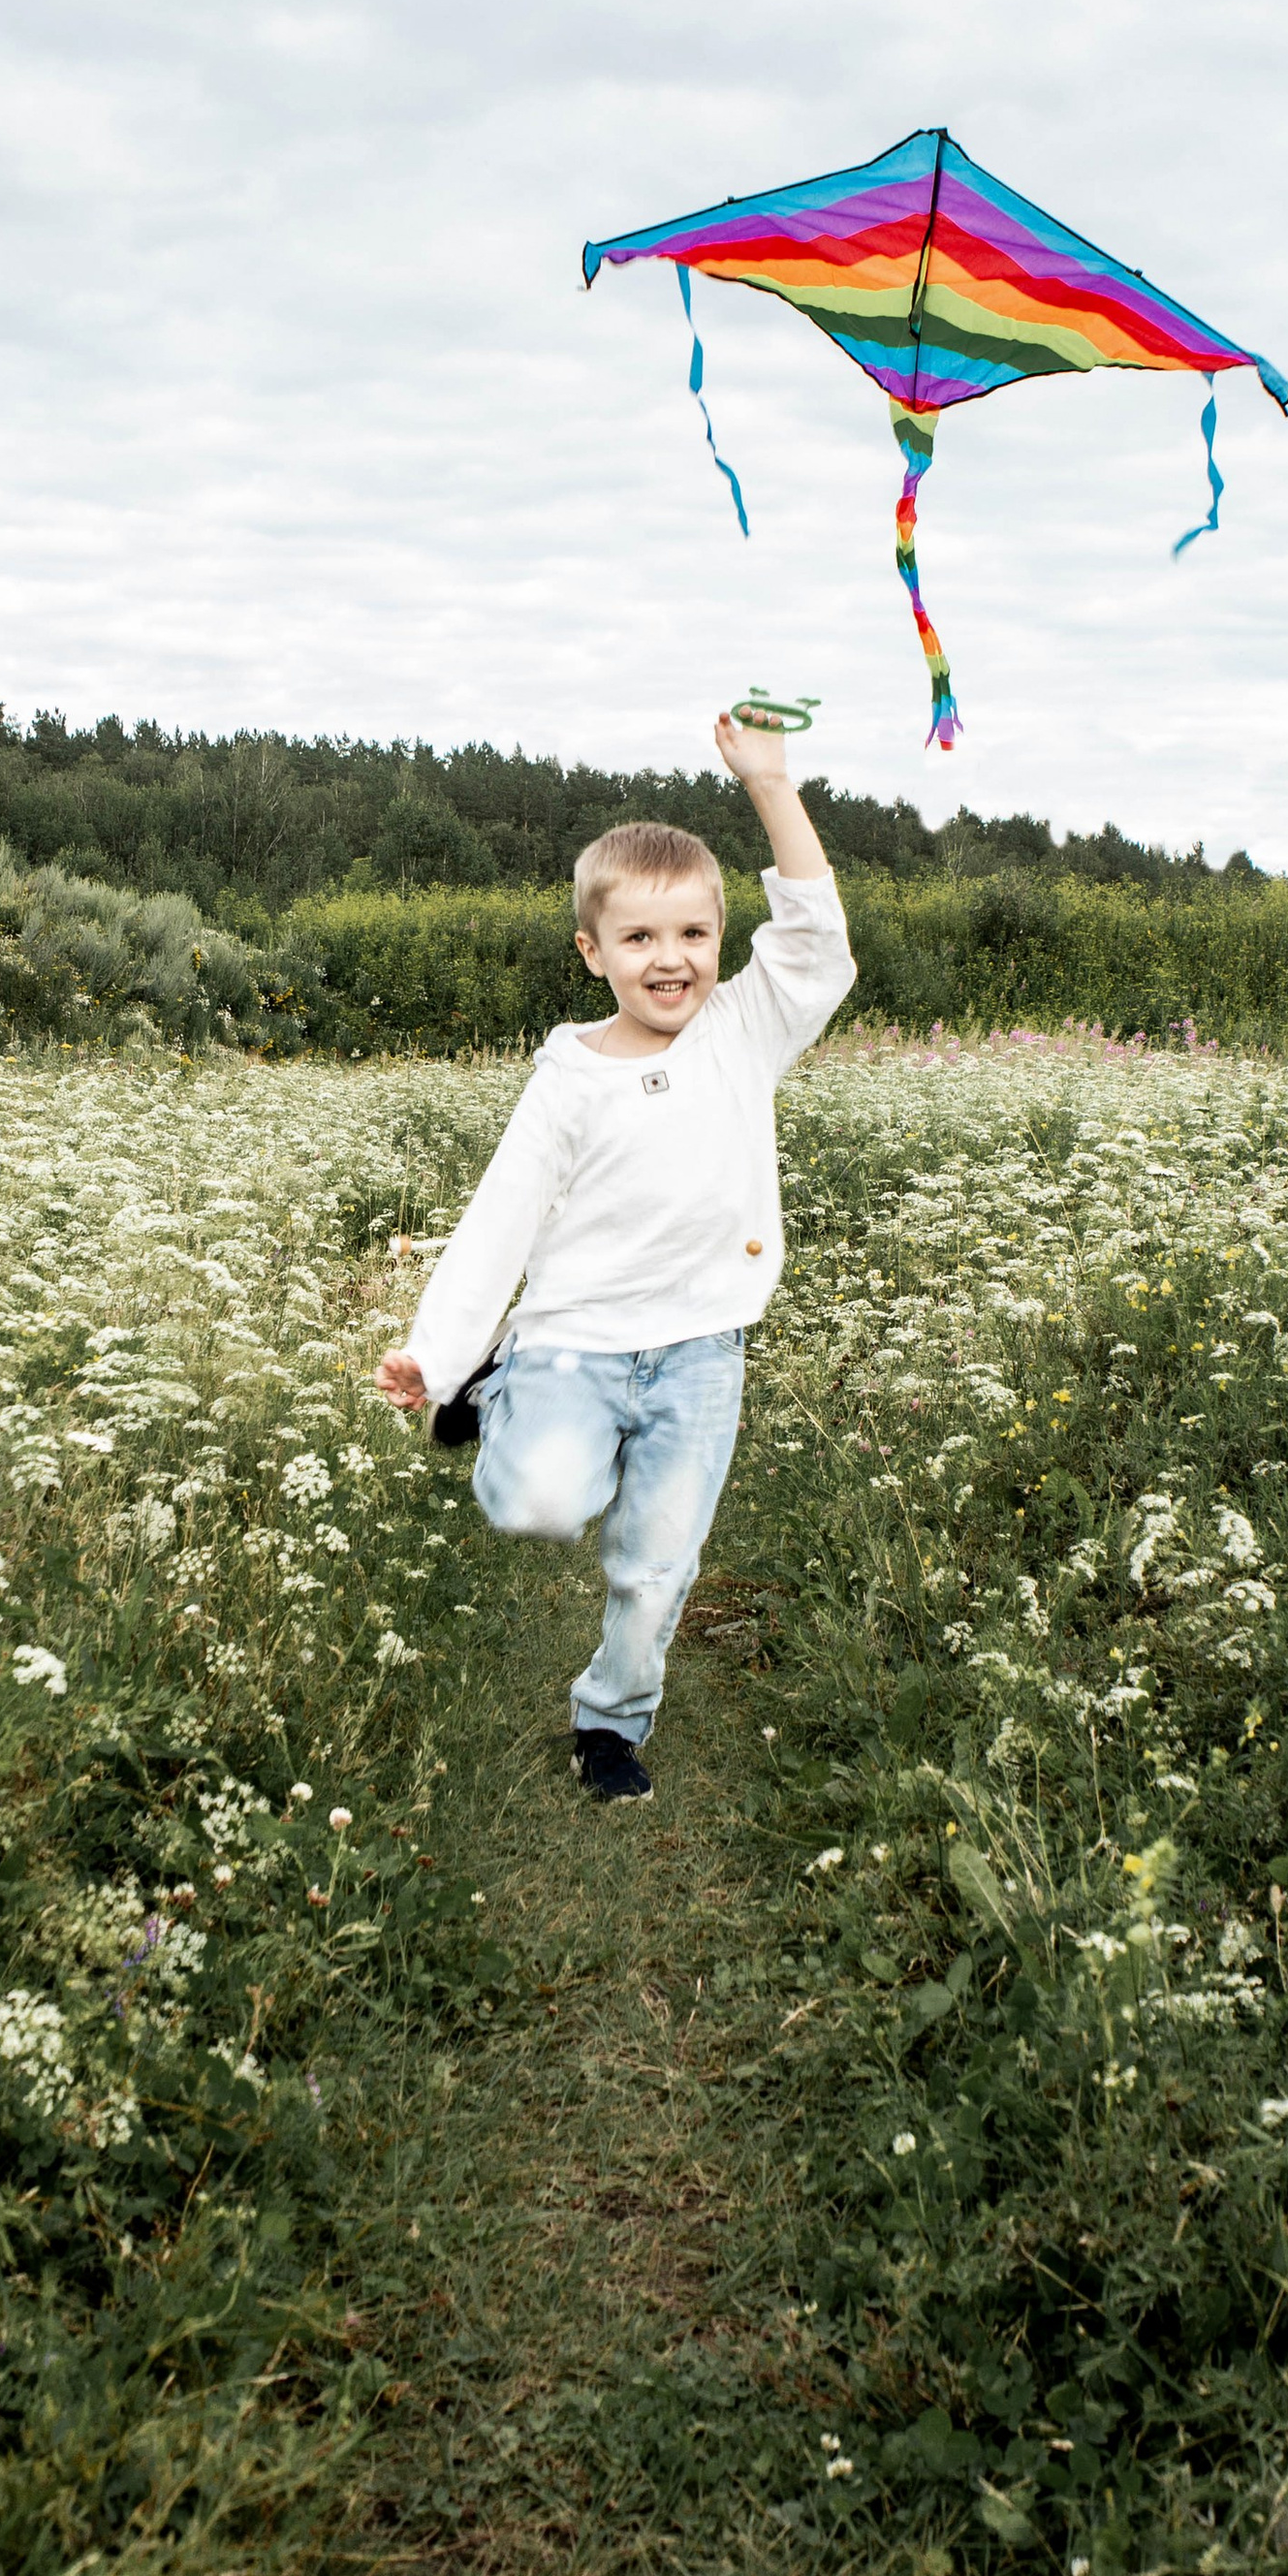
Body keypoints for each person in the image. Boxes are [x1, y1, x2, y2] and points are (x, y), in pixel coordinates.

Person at [374, 713, 854, 1801]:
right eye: (638, 940)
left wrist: (769, 784)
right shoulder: (569, 1080)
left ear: (719, 943)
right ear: (592, 953)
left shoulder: (745, 1030)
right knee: (538, 1503)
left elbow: (818, 941)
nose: (669, 959)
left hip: (699, 1353)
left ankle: (610, 1726)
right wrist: (437, 1359)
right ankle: (485, 1401)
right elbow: (499, 1222)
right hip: (570, 1348)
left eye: (691, 934)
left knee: (656, 1565)